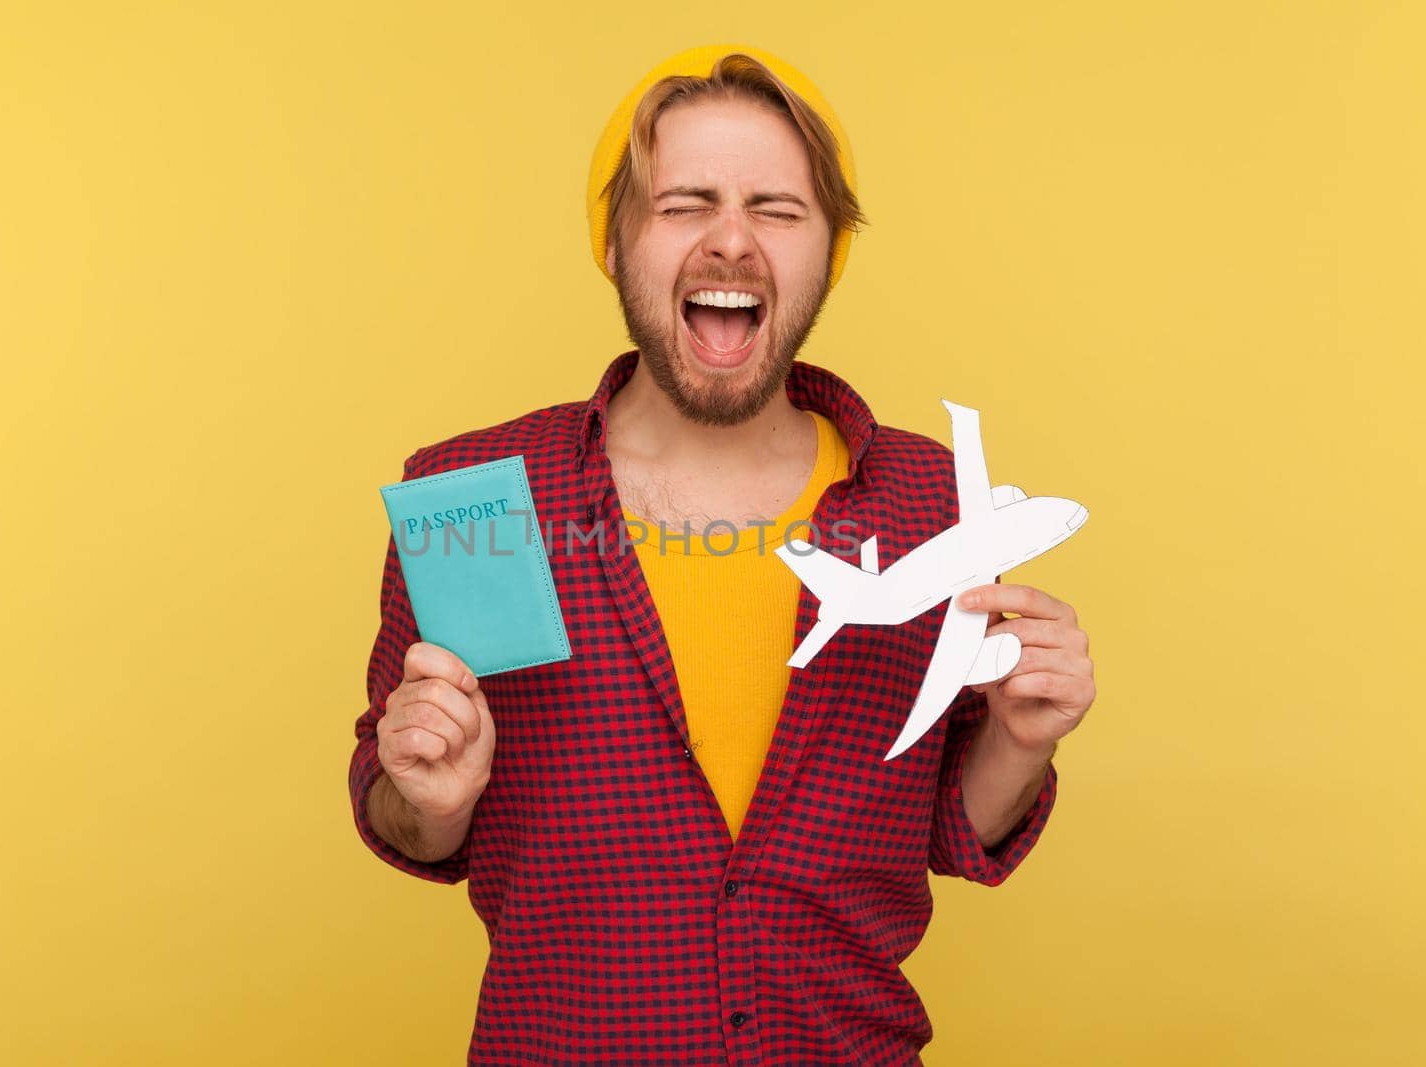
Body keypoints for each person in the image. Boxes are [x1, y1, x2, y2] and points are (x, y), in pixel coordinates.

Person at [349, 43, 1096, 1066]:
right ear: (615, 245)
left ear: (827, 251)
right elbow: (404, 823)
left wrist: (1023, 736)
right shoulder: (476, 497)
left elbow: (946, 833)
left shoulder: (926, 498)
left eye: (777, 209)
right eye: (684, 203)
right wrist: (427, 795)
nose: (731, 243)